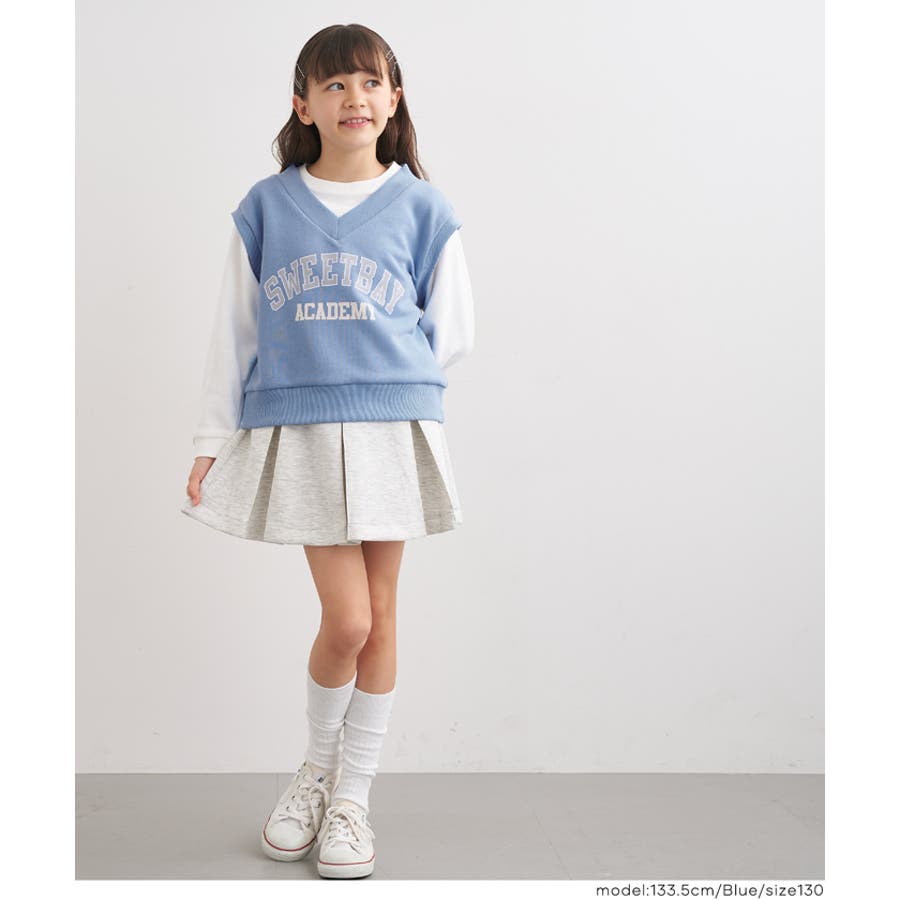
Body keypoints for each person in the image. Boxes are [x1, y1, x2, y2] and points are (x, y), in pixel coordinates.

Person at [179, 23, 474, 880]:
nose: (355, 99)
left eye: (371, 83)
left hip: (393, 427)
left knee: (380, 615)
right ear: (302, 105)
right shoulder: (267, 207)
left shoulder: (423, 208)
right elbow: (233, 333)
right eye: (335, 84)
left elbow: (451, 331)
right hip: (302, 428)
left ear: (395, 99)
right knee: (347, 621)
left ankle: (352, 797)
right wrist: (211, 439)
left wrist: (388, 377)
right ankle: (316, 768)